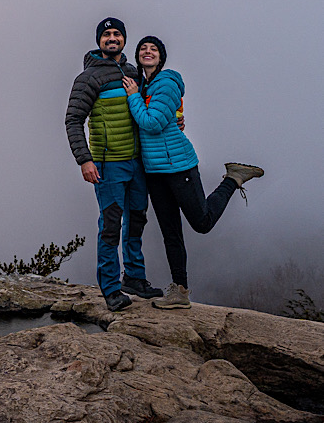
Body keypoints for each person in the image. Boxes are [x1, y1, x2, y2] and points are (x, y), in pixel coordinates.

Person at [123, 35, 264, 310]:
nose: (147, 51)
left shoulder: (167, 82)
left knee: (202, 222)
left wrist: (132, 98)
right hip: (154, 170)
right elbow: (156, 119)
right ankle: (180, 291)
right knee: (170, 232)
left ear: (161, 57)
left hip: (178, 166)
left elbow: (151, 123)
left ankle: (233, 179)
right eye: (143, 49)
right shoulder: (144, 86)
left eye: (153, 49)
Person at [65, 17, 163, 312]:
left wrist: (174, 120)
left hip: (137, 163)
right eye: (106, 34)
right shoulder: (88, 78)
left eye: (116, 34)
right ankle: (110, 289)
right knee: (110, 225)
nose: (112, 38)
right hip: (108, 165)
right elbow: (73, 120)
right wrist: (85, 160)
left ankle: (134, 278)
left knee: (136, 220)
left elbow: (145, 107)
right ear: (99, 41)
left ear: (124, 39)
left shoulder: (133, 72)